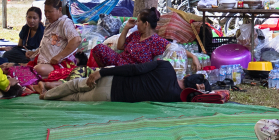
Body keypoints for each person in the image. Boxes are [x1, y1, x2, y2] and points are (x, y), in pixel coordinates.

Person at [39, 59, 182, 103]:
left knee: (75, 85)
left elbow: (133, 69)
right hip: (110, 98)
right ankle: (50, 94)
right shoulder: (174, 99)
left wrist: (102, 72)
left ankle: (47, 95)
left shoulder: (166, 67)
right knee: (76, 97)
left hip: (111, 80)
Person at [27, 0, 81, 82]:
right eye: (45, 11)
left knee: (37, 69)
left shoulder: (65, 23)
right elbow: (49, 44)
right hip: (46, 62)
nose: (47, 15)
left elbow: (76, 40)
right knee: (26, 68)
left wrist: (59, 56)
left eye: (50, 11)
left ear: (59, 10)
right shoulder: (52, 23)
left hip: (60, 64)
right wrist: (34, 53)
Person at [90, 7, 168, 67]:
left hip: (132, 69)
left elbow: (171, 47)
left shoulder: (157, 41)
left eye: (138, 21)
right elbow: (120, 46)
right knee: (99, 48)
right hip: (120, 61)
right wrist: (126, 28)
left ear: (146, 24)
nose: (136, 24)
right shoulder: (136, 34)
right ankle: (106, 72)